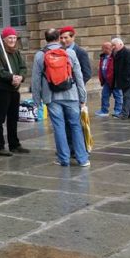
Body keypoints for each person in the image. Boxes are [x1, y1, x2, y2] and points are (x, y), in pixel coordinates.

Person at [31, 28, 88, 166]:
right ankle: (82, 159)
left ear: (46, 39)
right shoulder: (70, 53)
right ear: (58, 38)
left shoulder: (40, 55)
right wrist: (82, 97)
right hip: (71, 94)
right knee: (75, 126)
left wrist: (37, 101)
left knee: (59, 127)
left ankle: (63, 159)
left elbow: (35, 80)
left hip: (51, 96)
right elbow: (79, 76)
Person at [0, 27, 28, 157]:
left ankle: (14, 144)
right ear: (4, 39)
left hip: (14, 89)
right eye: (9, 38)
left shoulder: (15, 51)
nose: (12, 40)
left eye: (14, 38)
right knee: (0, 118)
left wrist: (20, 77)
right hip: (2, 89)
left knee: (13, 117)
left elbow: (23, 67)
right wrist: (11, 77)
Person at [112, 37, 130, 119]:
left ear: (120, 44)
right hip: (123, 80)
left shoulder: (128, 53)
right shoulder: (117, 53)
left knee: (127, 96)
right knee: (129, 97)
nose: (113, 47)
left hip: (129, 79)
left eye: (114, 45)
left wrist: (127, 78)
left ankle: (124, 114)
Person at [96, 41, 121, 117]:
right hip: (106, 80)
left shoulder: (115, 56)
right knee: (104, 95)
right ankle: (104, 110)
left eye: (103, 48)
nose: (101, 49)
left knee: (118, 96)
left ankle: (118, 111)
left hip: (114, 80)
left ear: (107, 48)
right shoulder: (103, 57)